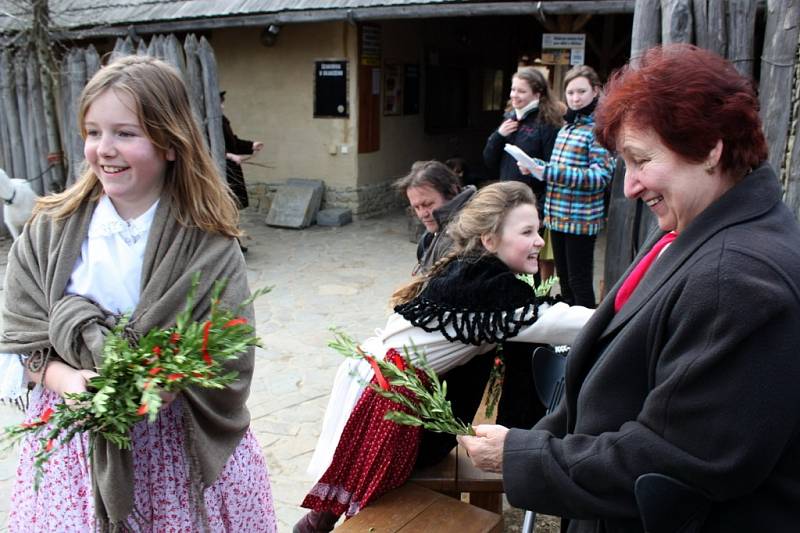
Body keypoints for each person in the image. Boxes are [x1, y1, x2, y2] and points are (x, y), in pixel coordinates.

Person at [459, 44, 800, 532]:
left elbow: (675, 461)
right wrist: (539, 440)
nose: (630, 187)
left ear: (709, 147)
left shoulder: (738, 278)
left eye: (641, 160)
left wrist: (525, 456)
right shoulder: (691, 225)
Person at [0, 56, 277, 532]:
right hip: (76, 453)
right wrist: (67, 380)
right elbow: (18, 339)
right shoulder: (48, 233)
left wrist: (168, 384)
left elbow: (229, 349)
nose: (103, 149)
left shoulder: (207, 242)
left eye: (125, 133)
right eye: (93, 132)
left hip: (177, 446)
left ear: (171, 142)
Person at [296, 182, 594, 532]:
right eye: (527, 231)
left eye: (538, 230)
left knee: (344, 505)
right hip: (386, 398)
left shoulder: (474, 271)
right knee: (371, 512)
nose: (540, 241)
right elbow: (560, 324)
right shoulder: (488, 287)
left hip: (382, 386)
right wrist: (631, 312)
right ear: (489, 239)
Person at [523, 65, 615, 308]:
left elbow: (601, 176)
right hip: (558, 217)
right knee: (564, 281)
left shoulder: (598, 130)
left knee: (580, 282)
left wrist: (549, 171)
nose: (575, 98)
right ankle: (567, 341)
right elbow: (558, 168)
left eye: (581, 91)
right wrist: (537, 167)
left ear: (596, 91)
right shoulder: (567, 126)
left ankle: (584, 339)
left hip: (581, 221)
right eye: (570, 92)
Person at [220, 90, 263, 211]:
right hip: (218, 171)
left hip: (230, 169)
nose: (223, 106)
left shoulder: (222, 120)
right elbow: (205, 147)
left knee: (232, 207)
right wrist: (229, 156)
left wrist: (251, 145)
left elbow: (233, 142)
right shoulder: (205, 122)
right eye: (220, 103)